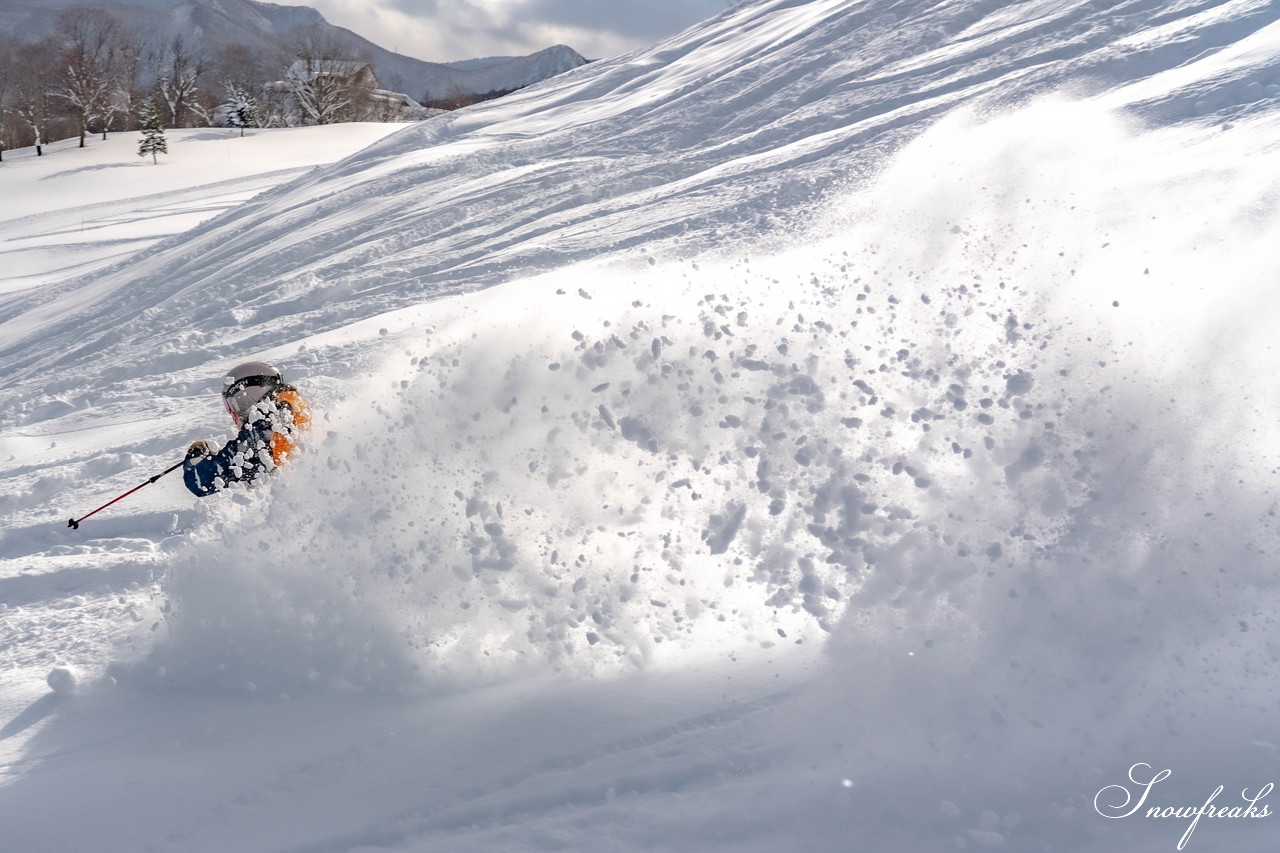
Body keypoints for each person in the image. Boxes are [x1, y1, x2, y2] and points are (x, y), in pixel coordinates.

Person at [184, 361, 310, 497]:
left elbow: (200, 481)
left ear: (249, 394)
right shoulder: (294, 410)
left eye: (235, 403)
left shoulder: (263, 423)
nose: (235, 413)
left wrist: (195, 456)